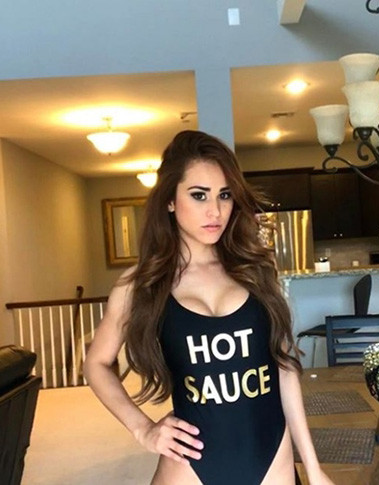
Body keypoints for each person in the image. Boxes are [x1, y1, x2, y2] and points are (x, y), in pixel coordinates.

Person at [84, 130, 334, 485]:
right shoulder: (140, 284)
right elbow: (96, 364)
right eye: (199, 195)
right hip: (191, 466)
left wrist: (312, 467)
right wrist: (143, 429)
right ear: (170, 200)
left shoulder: (256, 269)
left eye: (225, 195)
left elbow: (284, 367)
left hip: (271, 459)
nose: (215, 211)